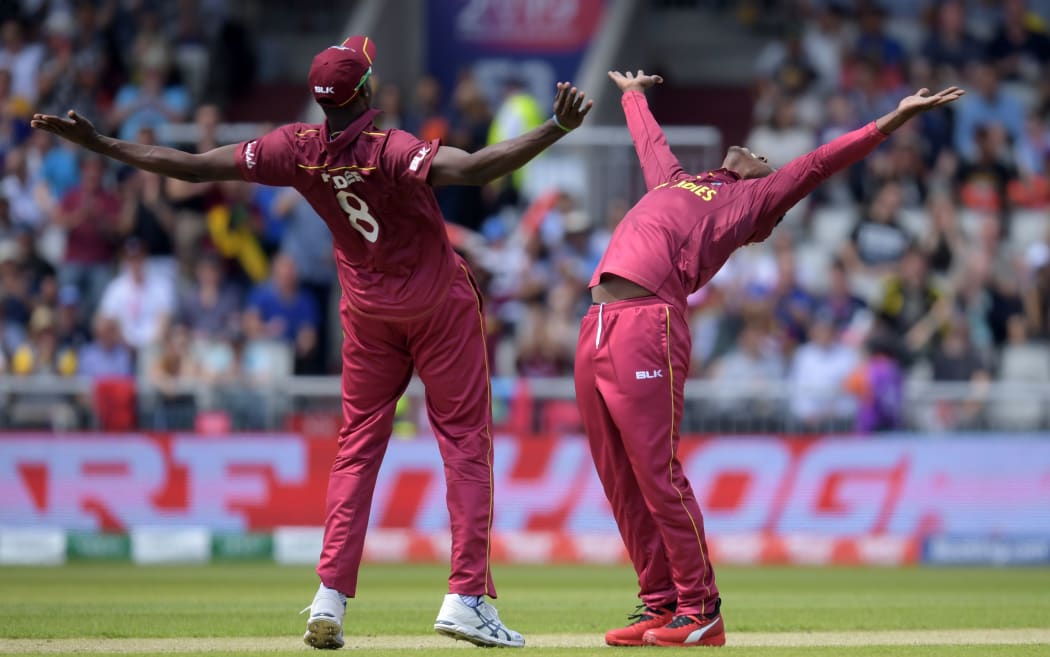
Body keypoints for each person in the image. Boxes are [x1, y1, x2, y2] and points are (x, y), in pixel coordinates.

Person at [32, 35, 592, 650]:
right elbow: (475, 166)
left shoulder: (293, 149)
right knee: (463, 443)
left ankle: (329, 598)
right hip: (436, 305)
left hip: (368, 314)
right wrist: (553, 130)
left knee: (356, 449)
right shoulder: (389, 149)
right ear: (368, 92)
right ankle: (464, 598)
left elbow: (193, 167)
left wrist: (102, 144)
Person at [576, 69, 963, 648]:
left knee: (656, 472)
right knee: (619, 479)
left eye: (761, 156)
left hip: (645, 322)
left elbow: (818, 164)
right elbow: (649, 142)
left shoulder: (752, 200)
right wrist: (632, 95)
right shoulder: (677, 182)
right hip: (596, 323)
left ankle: (701, 609)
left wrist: (891, 121)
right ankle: (660, 604)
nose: (754, 152)